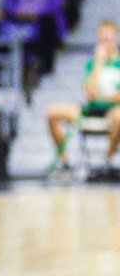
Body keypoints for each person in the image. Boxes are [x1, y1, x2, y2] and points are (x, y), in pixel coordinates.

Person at [46, 19, 120, 171]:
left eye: (108, 38)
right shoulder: (92, 64)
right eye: (102, 39)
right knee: (52, 113)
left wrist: (104, 97)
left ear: (116, 38)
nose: (105, 43)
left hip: (113, 110)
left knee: (119, 118)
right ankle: (64, 162)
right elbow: (89, 93)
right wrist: (99, 63)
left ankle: (107, 161)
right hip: (90, 109)